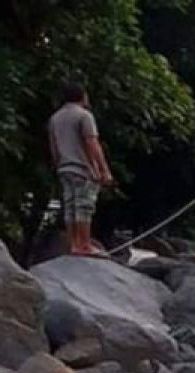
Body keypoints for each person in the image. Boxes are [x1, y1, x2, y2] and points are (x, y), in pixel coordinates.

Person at [49, 82, 114, 256]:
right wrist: (103, 170)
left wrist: (59, 164)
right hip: (82, 168)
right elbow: (92, 142)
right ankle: (84, 244)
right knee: (84, 206)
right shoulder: (84, 116)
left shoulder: (55, 118)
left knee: (70, 207)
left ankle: (73, 244)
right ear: (82, 96)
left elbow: (53, 146)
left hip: (64, 167)